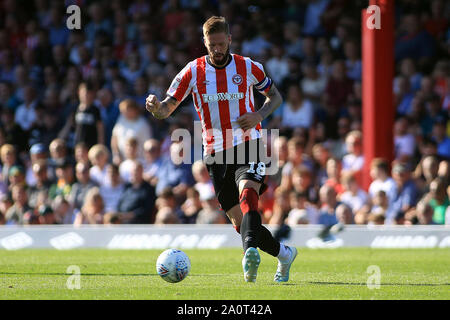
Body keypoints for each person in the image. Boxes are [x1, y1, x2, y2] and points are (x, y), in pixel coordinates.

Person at [145, 16, 297, 283]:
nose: (217, 49)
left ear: (229, 40)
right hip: (216, 154)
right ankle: (284, 254)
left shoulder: (248, 67)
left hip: (248, 143)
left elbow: (276, 97)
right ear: (204, 42)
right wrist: (156, 107)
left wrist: (259, 115)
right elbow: (167, 108)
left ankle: (249, 255)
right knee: (240, 223)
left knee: (248, 195)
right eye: (211, 44)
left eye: (220, 43)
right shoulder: (193, 71)